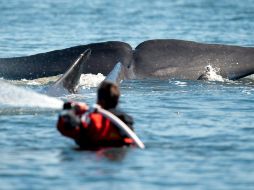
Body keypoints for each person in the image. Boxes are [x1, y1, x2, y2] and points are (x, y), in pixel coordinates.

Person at [56, 81, 134, 150]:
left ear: (100, 101)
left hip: (94, 158)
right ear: (117, 100)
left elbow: (65, 126)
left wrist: (70, 108)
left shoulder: (93, 119)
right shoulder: (126, 121)